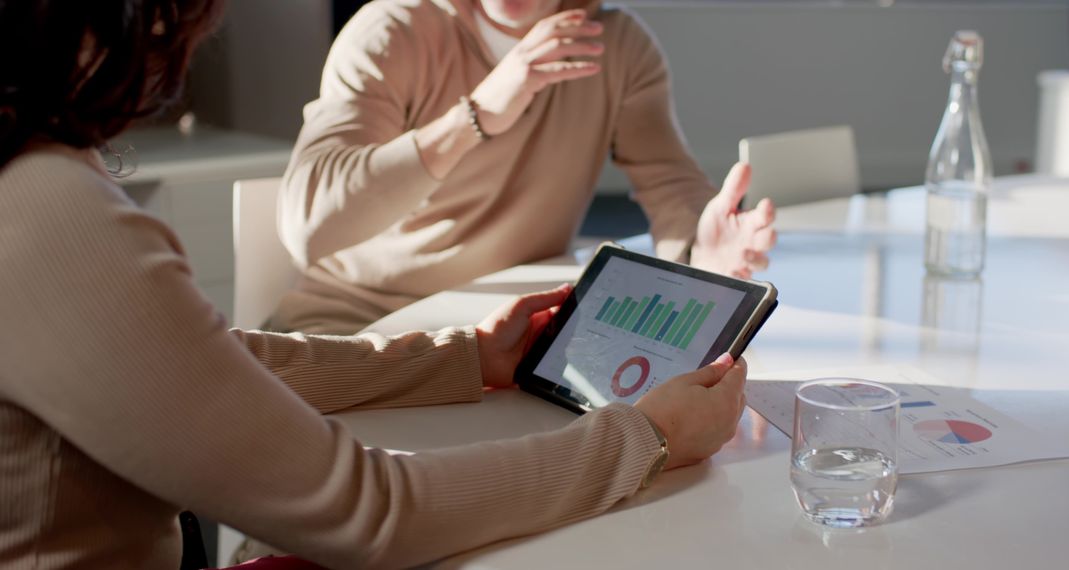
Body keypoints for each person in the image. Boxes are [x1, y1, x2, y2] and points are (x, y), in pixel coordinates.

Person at [0, 1, 750, 568]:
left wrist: (461, 357)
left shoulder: (45, 178)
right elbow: (369, 510)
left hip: (462, 350)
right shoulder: (55, 209)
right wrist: (645, 438)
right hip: (350, 328)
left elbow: (193, 358)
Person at [273, 0, 778, 335]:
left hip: (515, 331)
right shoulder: (391, 30)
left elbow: (672, 186)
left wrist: (701, 255)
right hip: (362, 322)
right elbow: (308, 227)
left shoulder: (617, 45)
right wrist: (477, 116)